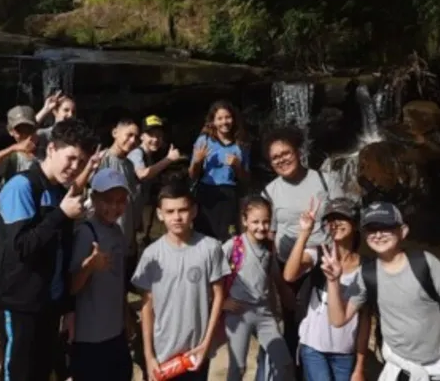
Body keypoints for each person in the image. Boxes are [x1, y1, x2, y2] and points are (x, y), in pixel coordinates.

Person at [322, 202, 440, 381]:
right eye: (371, 229)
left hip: (439, 366)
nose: (378, 235)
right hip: (398, 366)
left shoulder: (426, 264)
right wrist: (333, 281)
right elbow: (338, 320)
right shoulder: (366, 274)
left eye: (385, 228)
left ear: (403, 231)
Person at [0, 118, 99, 381]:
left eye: (82, 162)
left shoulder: (60, 192)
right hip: (20, 306)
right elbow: (20, 247)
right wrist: (61, 215)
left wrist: (68, 306)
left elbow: (64, 253)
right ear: (51, 149)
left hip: (49, 306)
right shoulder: (22, 187)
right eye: (71, 158)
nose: (74, 168)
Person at [131, 181, 230, 381]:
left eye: (183, 210)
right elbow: (147, 306)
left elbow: (218, 297)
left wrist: (206, 344)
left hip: (195, 353)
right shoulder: (151, 254)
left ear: (194, 211)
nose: (177, 217)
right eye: (170, 211)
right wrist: (149, 356)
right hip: (161, 355)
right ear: (160, 214)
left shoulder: (210, 248)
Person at [261, 126, 332, 361]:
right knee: (292, 326)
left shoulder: (325, 180)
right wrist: (279, 284)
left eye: (286, 153)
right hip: (288, 266)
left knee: (324, 324)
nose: (282, 160)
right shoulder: (269, 193)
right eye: (275, 157)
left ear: (298, 151)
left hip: (326, 263)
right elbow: (267, 242)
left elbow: (344, 224)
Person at [282, 198, 369, 381]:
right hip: (313, 346)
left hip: (345, 351)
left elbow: (364, 322)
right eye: (331, 219)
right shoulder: (319, 253)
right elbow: (289, 275)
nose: (335, 224)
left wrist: (360, 366)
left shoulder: (367, 268)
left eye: (341, 218)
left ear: (354, 224)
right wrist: (304, 233)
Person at [69, 168, 134, 381]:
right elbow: (71, 287)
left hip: (115, 332)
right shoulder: (85, 233)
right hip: (90, 337)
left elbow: (120, 282)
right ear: (94, 198)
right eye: (107, 200)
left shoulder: (117, 231)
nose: (114, 207)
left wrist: (126, 318)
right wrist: (89, 266)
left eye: (120, 201)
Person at [221, 195, 295, 381]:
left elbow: (270, 279)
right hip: (238, 314)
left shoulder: (269, 248)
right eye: (255, 222)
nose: (261, 227)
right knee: (238, 368)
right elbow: (211, 276)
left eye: (266, 222)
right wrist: (221, 301)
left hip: (264, 313)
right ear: (245, 221)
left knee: (284, 363)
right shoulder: (233, 246)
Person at [189, 100, 250, 241]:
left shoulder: (241, 144)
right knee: (203, 237)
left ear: (234, 119)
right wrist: (197, 161)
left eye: (228, 117)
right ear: (213, 122)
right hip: (206, 194)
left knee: (229, 238)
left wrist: (237, 166)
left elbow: (246, 180)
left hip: (229, 196)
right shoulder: (203, 141)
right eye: (220, 118)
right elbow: (192, 174)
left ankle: (231, 263)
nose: (225, 122)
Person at [97, 117, 144, 276]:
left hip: (127, 231)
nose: (132, 141)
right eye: (129, 135)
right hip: (109, 232)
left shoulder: (129, 165)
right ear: (115, 133)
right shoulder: (103, 159)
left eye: (136, 137)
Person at [127, 115, 182, 243]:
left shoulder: (149, 156)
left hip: (140, 211)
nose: (155, 139)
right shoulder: (137, 153)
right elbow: (142, 174)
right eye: (151, 135)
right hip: (131, 213)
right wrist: (168, 160)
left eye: (159, 135)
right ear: (141, 136)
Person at [0, 105, 38, 188]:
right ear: (11, 131)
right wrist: (12, 149)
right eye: (19, 130)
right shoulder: (12, 158)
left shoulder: (47, 148)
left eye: (28, 129)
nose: (24, 134)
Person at [34, 90, 77, 160]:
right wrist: (46, 109)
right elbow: (27, 132)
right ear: (55, 111)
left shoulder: (77, 136)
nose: (70, 115)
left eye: (73, 112)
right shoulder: (44, 134)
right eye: (66, 110)